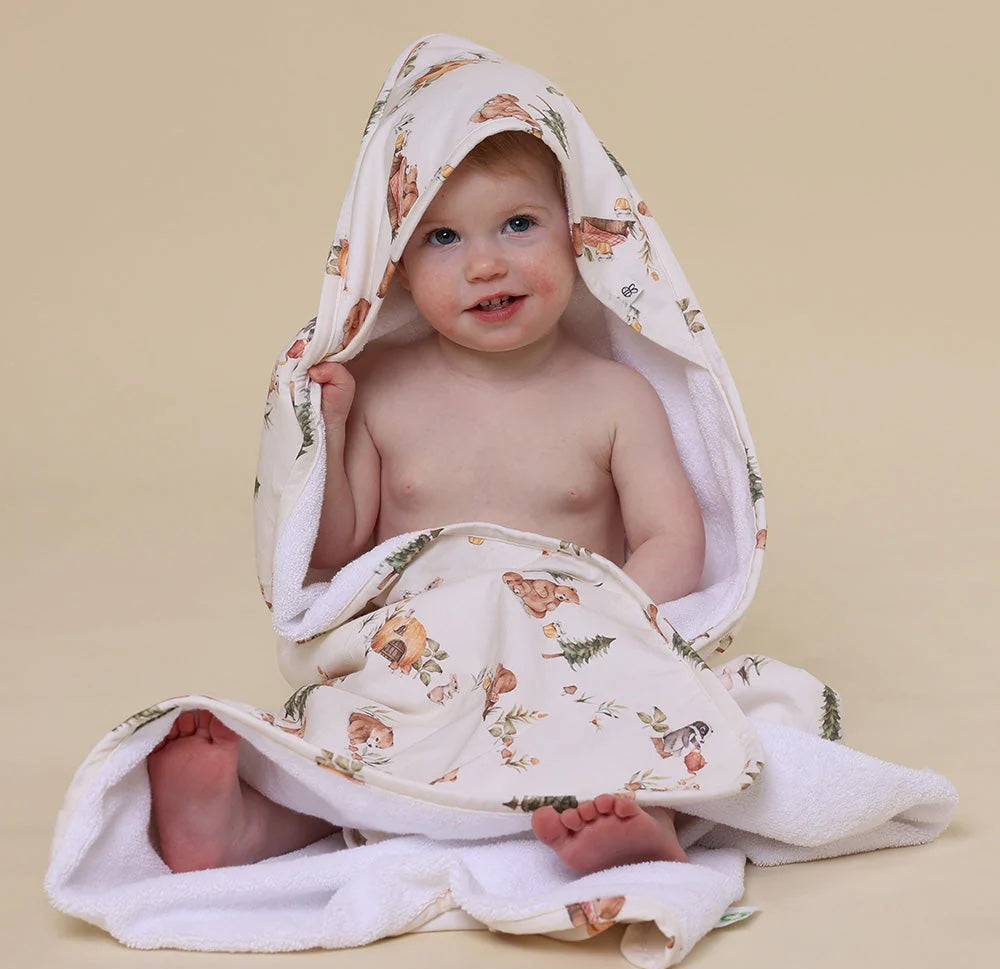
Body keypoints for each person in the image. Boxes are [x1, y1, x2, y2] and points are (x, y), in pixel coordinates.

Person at [147, 131, 705, 875]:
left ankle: (642, 823)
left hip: (567, 646)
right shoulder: (385, 391)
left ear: (579, 237)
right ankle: (248, 826)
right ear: (398, 270)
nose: (486, 263)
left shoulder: (614, 396)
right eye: (443, 237)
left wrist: (604, 624)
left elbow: (672, 537)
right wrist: (332, 433)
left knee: (665, 710)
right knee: (353, 734)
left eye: (519, 224)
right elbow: (342, 551)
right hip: (423, 655)